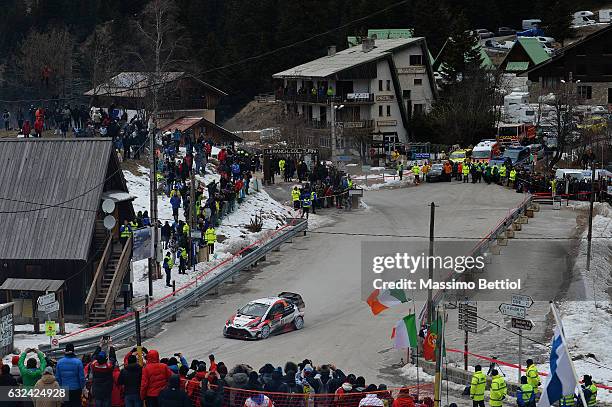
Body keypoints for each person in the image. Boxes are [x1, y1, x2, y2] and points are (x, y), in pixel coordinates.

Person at [56, 343, 85, 407]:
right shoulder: (78, 362)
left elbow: (58, 378)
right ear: (73, 350)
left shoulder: (59, 362)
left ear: (65, 351)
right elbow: (82, 378)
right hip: (76, 389)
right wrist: (83, 388)